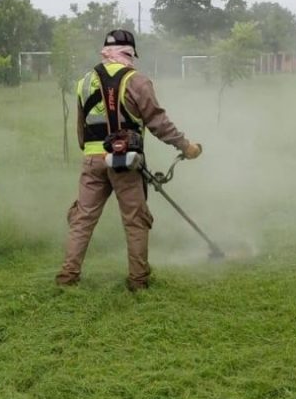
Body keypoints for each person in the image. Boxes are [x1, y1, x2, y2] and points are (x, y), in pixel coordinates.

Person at [56, 29, 203, 291]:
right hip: (124, 161)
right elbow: (158, 123)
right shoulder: (136, 81)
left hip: (91, 160)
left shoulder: (85, 81)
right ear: (129, 53)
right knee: (136, 220)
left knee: (82, 219)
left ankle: (68, 277)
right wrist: (186, 146)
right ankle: (138, 281)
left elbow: (81, 127)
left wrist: (92, 153)